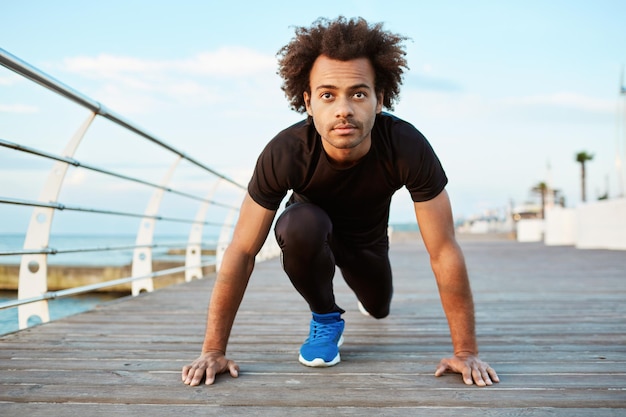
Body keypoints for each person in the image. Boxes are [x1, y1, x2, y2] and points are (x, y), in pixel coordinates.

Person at [182, 16, 499, 387]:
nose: (343, 108)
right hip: (311, 235)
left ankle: (369, 297)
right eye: (328, 95)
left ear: (380, 100)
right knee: (298, 225)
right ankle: (326, 317)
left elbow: (443, 250)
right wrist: (213, 350)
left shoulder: (406, 147)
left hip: (368, 243)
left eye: (358, 93)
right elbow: (241, 250)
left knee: (379, 308)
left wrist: (465, 353)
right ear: (308, 102)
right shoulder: (286, 153)